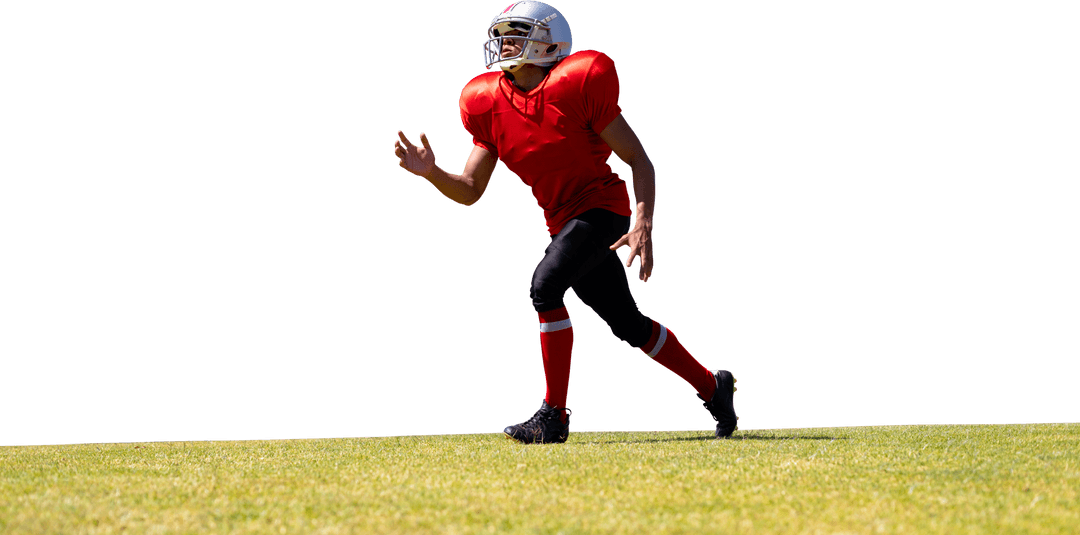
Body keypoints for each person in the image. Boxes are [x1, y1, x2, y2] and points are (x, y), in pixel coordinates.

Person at [393, 1, 737, 443]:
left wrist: (644, 220)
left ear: (549, 41)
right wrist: (432, 174)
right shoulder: (487, 102)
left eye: (516, 33)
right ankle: (714, 387)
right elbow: (471, 190)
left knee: (545, 285)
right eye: (501, 34)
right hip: (563, 223)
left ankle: (554, 414)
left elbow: (639, 159)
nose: (504, 43)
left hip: (602, 210)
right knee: (628, 325)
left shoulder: (577, 85)